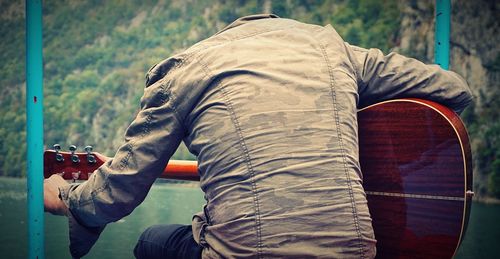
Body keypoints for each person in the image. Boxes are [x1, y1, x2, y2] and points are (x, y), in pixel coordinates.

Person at [44, 14, 473, 258]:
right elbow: (455, 89)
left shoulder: (185, 71)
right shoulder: (333, 49)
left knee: (151, 242)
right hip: (356, 252)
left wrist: (64, 199)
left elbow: (118, 191)